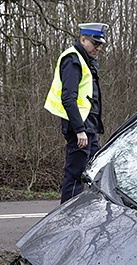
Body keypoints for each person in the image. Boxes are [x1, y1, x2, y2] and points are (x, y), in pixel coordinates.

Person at [44, 22, 108, 202]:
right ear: (83, 39)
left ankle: (90, 211)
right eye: (95, 43)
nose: (98, 48)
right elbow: (68, 99)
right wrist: (79, 130)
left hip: (90, 128)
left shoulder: (86, 61)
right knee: (74, 176)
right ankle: (68, 219)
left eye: (100, 44)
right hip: (80, 129)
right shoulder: (73, 60)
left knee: (99, 170)